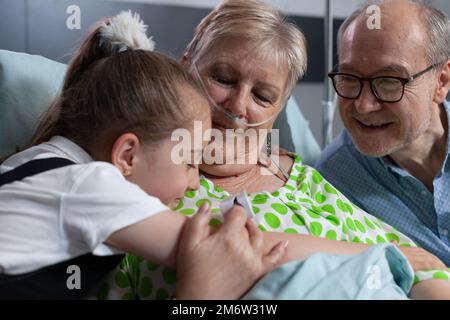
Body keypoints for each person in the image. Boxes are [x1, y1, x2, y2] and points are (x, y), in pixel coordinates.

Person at [101, 0, 450, 300]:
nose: (237, 106)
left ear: (278, 109)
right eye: (223, 78)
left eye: (263, 96)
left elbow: (424, 269)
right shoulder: (136, 177)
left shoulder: (307, 181)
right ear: (185, 66)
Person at [0, 11, 289, 299]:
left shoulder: (34, 160)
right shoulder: (93, 184)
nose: (195, 182)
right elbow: (218, 249)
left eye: (263, 96)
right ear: (127, 156)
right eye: (189, 162)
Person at [315, 0, 450, 268]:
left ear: (441, 82)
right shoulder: (335, 183)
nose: (364, 106)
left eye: (389, 82)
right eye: (350, 78)